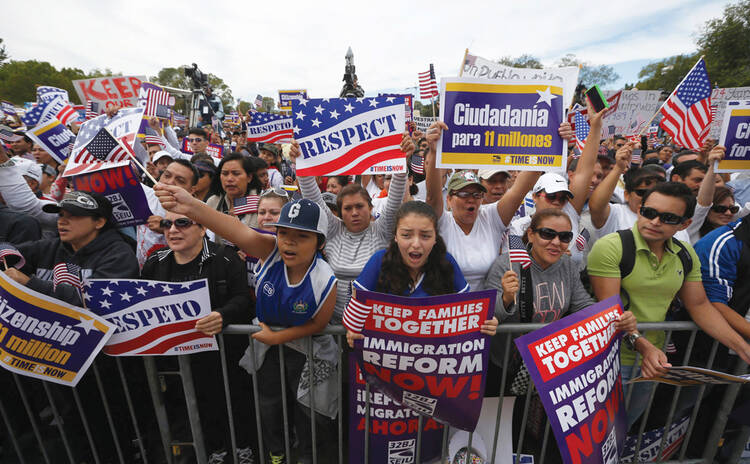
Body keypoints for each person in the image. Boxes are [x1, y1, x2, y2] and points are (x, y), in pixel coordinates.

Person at [154, 183, 337, 464]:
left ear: (320, 243)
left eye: (302, 236)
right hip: (267, 350)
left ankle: (308, 457)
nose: (289, 241)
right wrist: (192, 205)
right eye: (284, 232)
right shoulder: (270, 249)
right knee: (268, 408)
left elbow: (318, 324)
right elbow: (233, 228)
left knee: (310, 413)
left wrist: (279, 337)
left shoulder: (324, 277)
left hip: (308, 352)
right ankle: (276, 454)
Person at [587, 182, 750, 428]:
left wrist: (742, 347)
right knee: (594, 436)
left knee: (621, 432)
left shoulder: (685, 253)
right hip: (607, 360)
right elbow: (611, 312)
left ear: (684, 224)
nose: (654, 221)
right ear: (640, 209)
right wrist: (645, 349)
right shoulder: (611, 246)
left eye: (668, 217)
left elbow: (700, 306)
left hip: (654, 362)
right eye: (649, 212)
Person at [140, 211, 254, 463]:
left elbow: (242, 299)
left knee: (234, 404)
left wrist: (222, 315)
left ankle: (243, 449)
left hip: (224, 357)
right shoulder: (155, 262)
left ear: (203, 229)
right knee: (197, 406)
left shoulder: (225, 259)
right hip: (178, 359)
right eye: (167, 224)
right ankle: (215, 451)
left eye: (182, 223)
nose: (172, 230)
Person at [289, 134, 412, 322]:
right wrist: (301, 163)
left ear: (370, 208)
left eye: (360, 206)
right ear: (339, 212)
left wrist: (401, 161)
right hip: (334, 324)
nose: (354, 212)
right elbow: (312, 195)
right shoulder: (333, 229)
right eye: (347, 208)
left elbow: (395, 196)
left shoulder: (382, 229)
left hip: (376, 326)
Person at [343, 201, 498, 344]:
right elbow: (355, 310)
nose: (416, 244)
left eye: (425, 236)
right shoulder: (379, 261)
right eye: (406, 235)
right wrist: (352, 331)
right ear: (395, 236)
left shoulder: (446, 262)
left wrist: (487, 323)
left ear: (435, 238)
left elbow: (470, 313)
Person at [4, 191, 139, 306]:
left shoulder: (119, 255)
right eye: (61, 215)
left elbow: (94, 300)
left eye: (73, 216)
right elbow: (9, 251)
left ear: (99, 222)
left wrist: (30, 283)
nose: (62, 221)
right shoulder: (51, 246)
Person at [206, 153, 266, 241]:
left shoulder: (262, 204)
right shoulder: (213, 202)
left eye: (236, 173)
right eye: (225, 174)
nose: (229, 179)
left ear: (249, 177)